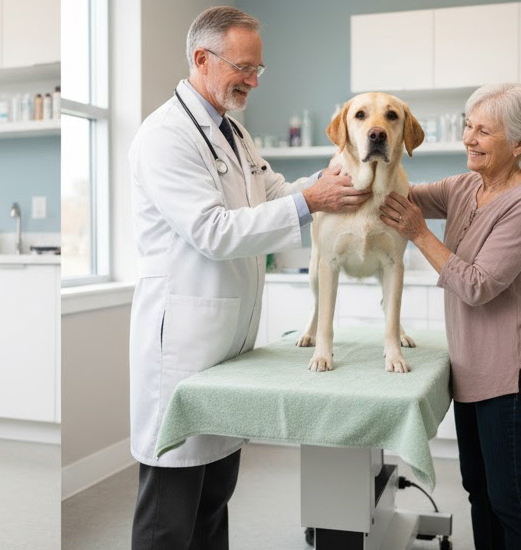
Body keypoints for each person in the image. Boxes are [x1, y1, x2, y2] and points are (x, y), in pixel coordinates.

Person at [127, 6, 372, 548]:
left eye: (260, 69)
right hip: (184, 348)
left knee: (215, 500)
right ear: (201, 59)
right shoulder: (164, 136)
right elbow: (211, 231)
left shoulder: (232, 131)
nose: (254, 81)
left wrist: (326, 181)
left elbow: (272, 193)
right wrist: (312, 202)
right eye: (244, 68)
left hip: (228, 343)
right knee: (169, 515)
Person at [380, 82, 521, 550]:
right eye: (468, 126)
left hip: (509, 375)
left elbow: (477, 286)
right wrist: (357, 165)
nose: (469, 139)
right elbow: (399, 193)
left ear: (520, 144)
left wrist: (419, 234)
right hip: (472, 370)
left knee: (510, 498)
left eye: (484, 131)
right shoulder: (465, 186)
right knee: (480, 492)